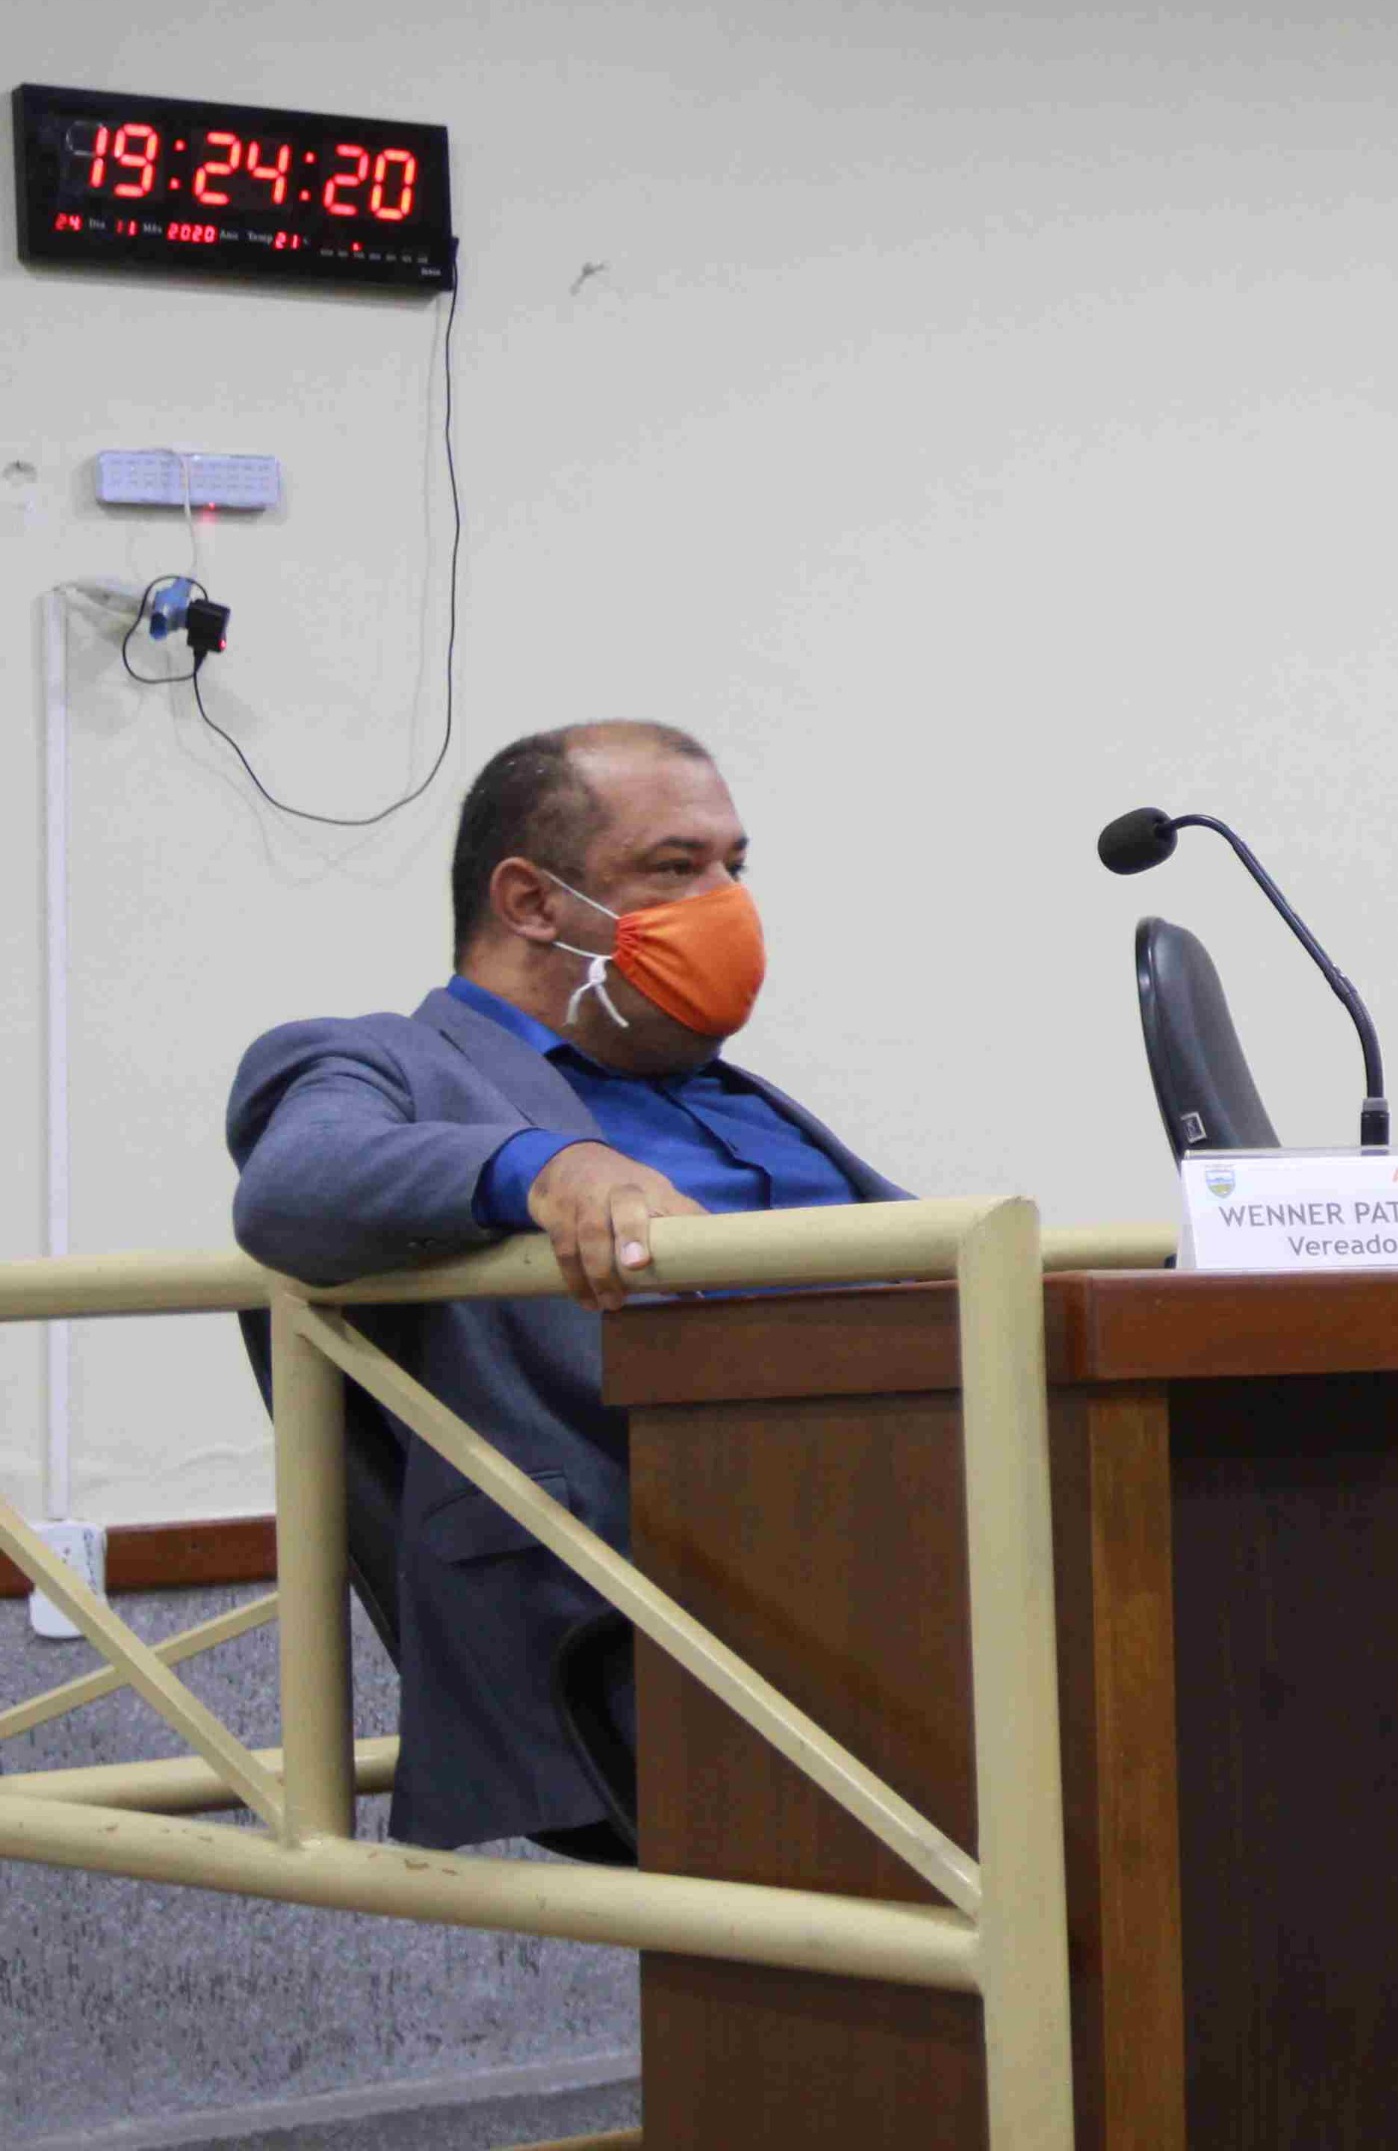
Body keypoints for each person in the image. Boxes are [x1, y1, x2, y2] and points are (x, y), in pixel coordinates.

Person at [224, 722, 901, 1855]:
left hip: (902, 1534)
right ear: (532, 902)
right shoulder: (386, 1061)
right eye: (677, 867)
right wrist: (546, 1169)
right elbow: (293, 1188)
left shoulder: (735, 1097)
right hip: (639, 1606)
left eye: (735, 865)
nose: (727, 902)